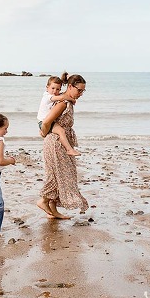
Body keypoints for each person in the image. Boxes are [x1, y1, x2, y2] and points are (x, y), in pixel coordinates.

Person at [37, 72, 89, 219]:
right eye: (79, 90)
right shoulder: (62, 103)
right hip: (56, 143)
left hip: (60, 141)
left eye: (83, 91)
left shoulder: (68, 101)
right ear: (71, 87)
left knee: (63, 174)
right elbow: (46, 122)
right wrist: (44, 133)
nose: (80, 94)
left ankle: (52, 209)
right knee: (58, 174)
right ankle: (43, 201)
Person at [37, 75, 80, 156]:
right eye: (53, 88)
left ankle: (43, 132)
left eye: (58, 89)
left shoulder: (52, 95)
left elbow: (61, 95)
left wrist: (69, 78)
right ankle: (69, 149)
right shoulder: (47, 96)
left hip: (44, 121)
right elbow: (62, 97)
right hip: (42, 121)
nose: (55, 91)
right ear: (47, 87)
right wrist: (72, 99)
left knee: (59, 131)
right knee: (61, 131)